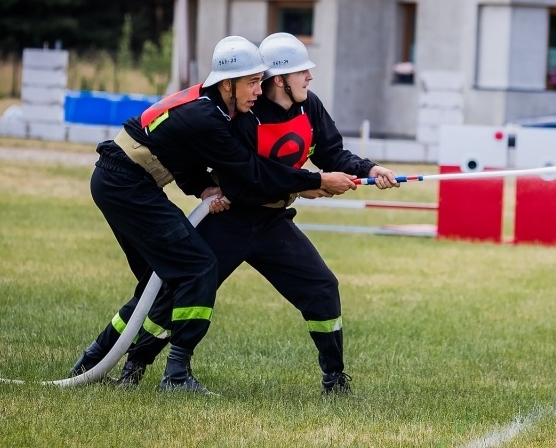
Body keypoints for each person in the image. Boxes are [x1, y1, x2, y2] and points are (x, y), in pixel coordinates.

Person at [69, 35, 357, 394]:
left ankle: (95, 363)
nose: (258, 89)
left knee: (160, 284)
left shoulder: (220, 110)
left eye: (260, 81)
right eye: (252, 82)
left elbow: (183, 154)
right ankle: (172, 375)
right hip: (125, 183)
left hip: (132, 181)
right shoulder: (210, 116)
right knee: (193, 269)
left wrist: (203, 188)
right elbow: (248, 171)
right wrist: (311, 180)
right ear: (227, 84)